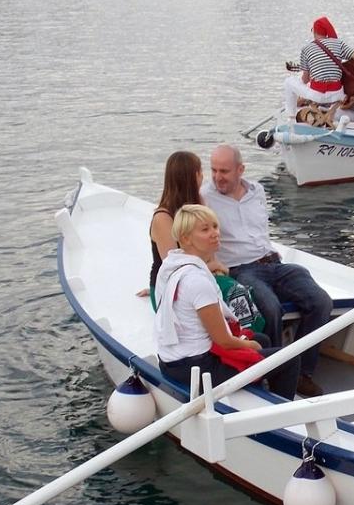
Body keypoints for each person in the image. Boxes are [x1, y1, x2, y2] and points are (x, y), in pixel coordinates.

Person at [201, 144, 333, 398]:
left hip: (273, 262)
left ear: (240, 169)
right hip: (241, 269)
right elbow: (187, 231)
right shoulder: (205, 197)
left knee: (320, 302)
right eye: (214, 170)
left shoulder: (257, 191)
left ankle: (302, 374)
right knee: (270, 308)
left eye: (225, 171)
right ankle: (270, 374)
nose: (218, 177)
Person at [155, 205, 300, 400]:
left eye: (215, 227)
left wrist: (254, 343)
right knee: (289, 357)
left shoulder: (172, 267)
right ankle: (279, 412)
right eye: (205, 230)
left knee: (262, 340)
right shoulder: (196, 280)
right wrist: (252, 347)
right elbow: (223, 340)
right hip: (196, 368)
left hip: (175, 361)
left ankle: (264, 390)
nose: (215, 233)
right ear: (185, 238)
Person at [140, 151, 204, 307]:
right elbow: (174, 266)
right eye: (201, 171)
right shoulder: (163, 218)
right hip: (171, 287)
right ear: (194, 175)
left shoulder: (199, 203)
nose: (203, 176)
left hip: (198, 276)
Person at [283, 16, 354, 118]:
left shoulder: (307, 49)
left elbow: (305, 79)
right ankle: (328, 116)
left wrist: (299, 91)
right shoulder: (338, 43)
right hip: (337, 94)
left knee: (289, 82)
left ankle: (290, 117)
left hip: (318, 95)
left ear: (314, 31)